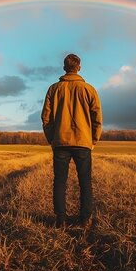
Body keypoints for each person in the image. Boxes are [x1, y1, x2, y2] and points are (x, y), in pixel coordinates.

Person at [41, 53, 102, 229]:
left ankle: (61, 220)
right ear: (79, 67)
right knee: (85, 181)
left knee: (60, 181)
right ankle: (85, 220)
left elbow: (46, 118)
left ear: (64, 68)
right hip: (83, 142)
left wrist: (52, 139)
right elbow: (97, 117)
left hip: (60, 142)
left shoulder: (53, 89)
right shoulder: (89, 89)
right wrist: (93, 140)